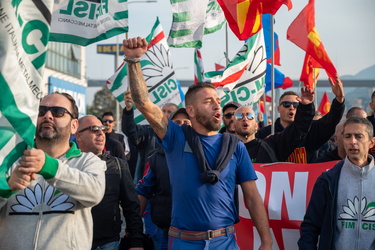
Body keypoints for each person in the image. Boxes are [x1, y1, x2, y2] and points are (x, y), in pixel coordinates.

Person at [123, 37, 272, 249]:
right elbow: (143, 103)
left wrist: (266, 241)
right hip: (183, 242)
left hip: (225, 242)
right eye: (208, 101)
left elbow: (252, 197)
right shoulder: (175, 137)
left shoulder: (235, 145)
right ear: (190, 111)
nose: (217, 106)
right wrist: (133, 61)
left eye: (218, 101)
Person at [0, 92, 106, 249]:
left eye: (58, 112)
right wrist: (6, 188)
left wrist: (49, 167)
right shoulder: (8, 159)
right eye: (41, 111)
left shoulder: (88, 161)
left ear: (74, 126)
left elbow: (94, 193)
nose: (48, 116)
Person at [298, 117, 375, 249]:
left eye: (359, 136)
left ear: (371, 142)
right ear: (341, 141)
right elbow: (310, 227)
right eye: (347, 136)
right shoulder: (328, 180)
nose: (353, 142)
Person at [75, 115, 144, 250]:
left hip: (108, 243)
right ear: (78, 136)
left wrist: (136, 242)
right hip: (75, 242)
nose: (101, 133)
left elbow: (131, 206)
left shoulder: (118, 165)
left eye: (102, 129)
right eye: (94, 129)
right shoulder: (68, 165)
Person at [136, 108, 191, 250]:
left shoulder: (206, 153)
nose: (182, 125)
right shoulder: (155, 158)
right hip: (164, 231)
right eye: (177, 122)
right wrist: (134, 232)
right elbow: (143, 191)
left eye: (186, 121)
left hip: (195, 234)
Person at [256, 77, 345, 163]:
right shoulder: (264, 133)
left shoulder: (311, 129)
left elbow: (330, 122)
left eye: (296, 105)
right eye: (286, 104)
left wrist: (339, 100)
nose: (291, 107)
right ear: (278, 108)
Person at [233, 86, 315, 163]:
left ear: (256, 125)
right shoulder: (226, 149)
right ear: (233, 124)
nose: (245, 119)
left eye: (250, 116)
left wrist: (306, 108)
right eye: (239, 116)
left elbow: (298, 130)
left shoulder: (270, 144)